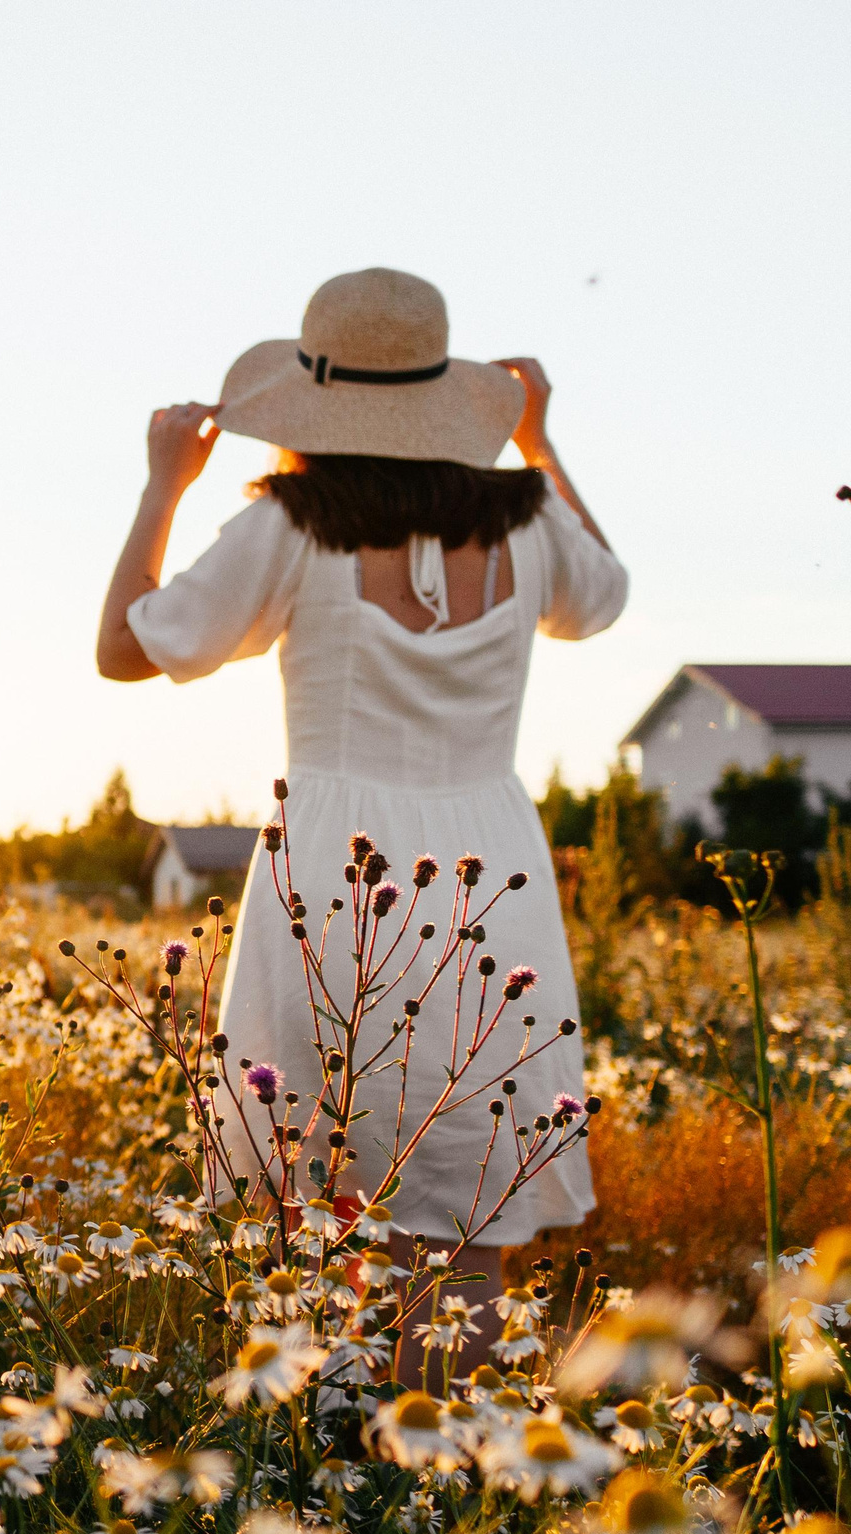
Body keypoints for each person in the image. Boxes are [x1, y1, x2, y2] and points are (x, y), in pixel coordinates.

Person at [92, 268, 626, 1378]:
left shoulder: (289, 525)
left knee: (334, 1178)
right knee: (468, 1198)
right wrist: (539, 442)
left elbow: (124, 651)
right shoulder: (526, 527)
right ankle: (452, 1471)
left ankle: (352, 1471)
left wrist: (163, 485)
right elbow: (606, 592)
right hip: (495, 874)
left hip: (340, 866)